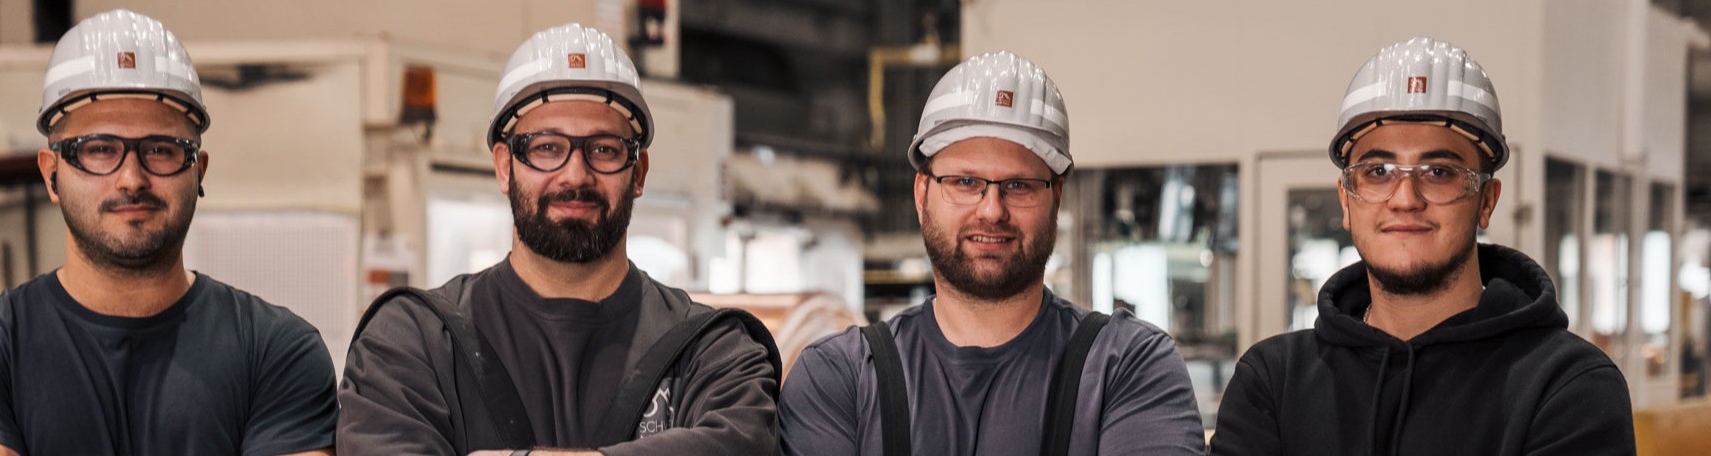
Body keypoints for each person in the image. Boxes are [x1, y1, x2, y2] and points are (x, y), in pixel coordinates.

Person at [335, 23, 782, 456]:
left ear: (639, 172)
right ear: (505, 167)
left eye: (604, 149)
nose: (575, 174)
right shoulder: (412, 341)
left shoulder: (713, 352)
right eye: (546, 147)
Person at [0, 9, 338, 456]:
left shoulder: (275, 352)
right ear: (52, 175)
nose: (131, 178)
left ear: (199, 170)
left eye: (160, 149)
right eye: (98, 150)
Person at [1208, 36, 1635, 455]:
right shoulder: (1273, 381)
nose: (1405, 198)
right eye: (1378, 172)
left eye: (1438, 172)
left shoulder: (1569, 387)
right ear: (1346, 200)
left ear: (1486, 201)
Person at [778, 51, 1206, 456]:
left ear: (1056, 197)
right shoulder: (839, 379)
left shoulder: (1129, 367)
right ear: (922, 192)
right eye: (965, 181)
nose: (991, 209)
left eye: (1018, 185)